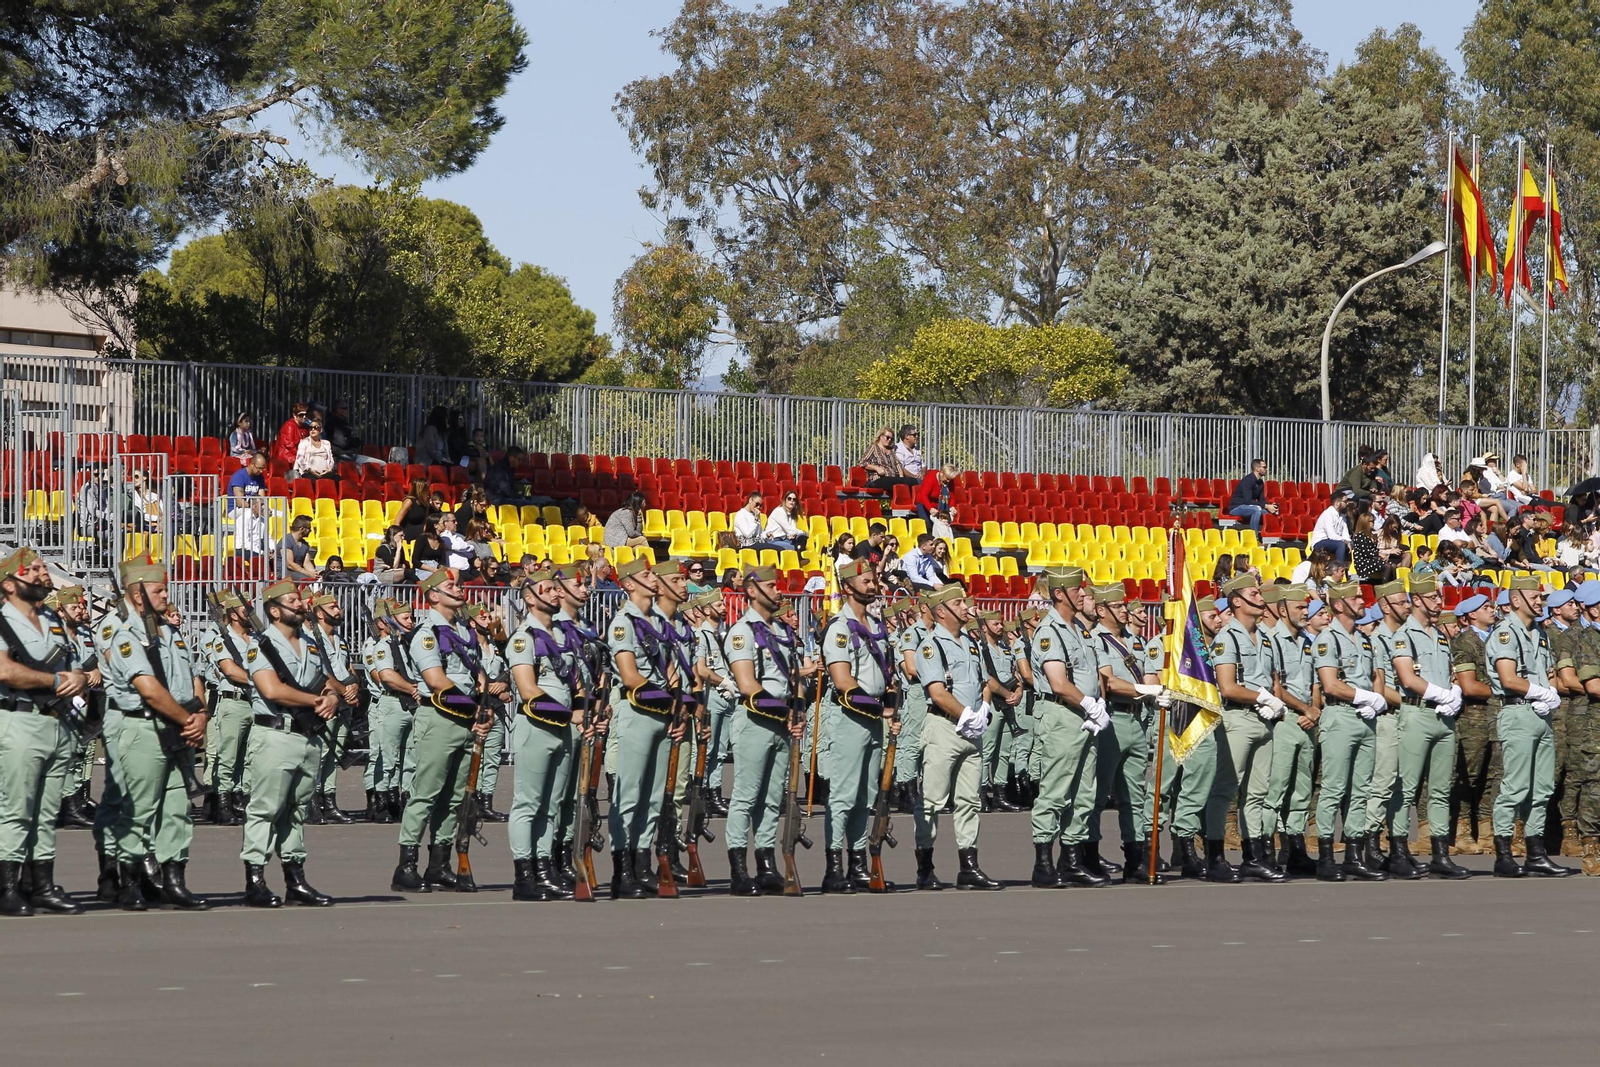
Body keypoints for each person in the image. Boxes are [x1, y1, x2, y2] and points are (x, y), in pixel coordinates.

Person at [96, 559, 210, 910]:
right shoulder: (125, 634)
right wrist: (187, 720)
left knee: (177, 806)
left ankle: (174, 880)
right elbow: (148, 689)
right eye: (158, 590)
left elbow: (192, 679)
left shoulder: (170, 631)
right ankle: (129, 882)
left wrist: (201, 714)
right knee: (138, 806)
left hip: (179, 726)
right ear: (138, 595)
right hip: (145, 726)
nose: (166, 595)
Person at [391, 568, 494, 892]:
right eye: (450, 585)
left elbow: (475, 673)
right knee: (426, 793)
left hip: (466, 718)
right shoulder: (427, 632)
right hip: (440, 717)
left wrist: (482, 697)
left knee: (454, 798)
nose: (458, 589)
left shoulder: (463, 629)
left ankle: (439, 863)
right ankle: (406, 866)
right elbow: (435, 681)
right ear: (433, 595)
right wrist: (475, 708)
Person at [0, 547, 89, 916]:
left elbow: (74, 665)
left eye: (40, 568)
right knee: (16, 808)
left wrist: (80, 677)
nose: (41, 574)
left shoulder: (52, 617)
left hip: (57, 723)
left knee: (47, 809)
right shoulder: (2, 620)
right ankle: (7, 887)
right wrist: (54, 680)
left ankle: (41, 884)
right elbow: (4, 671)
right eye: (31, 570)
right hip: (19, 720)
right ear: (9, 584)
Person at [239, 580, 338, 908]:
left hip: (306, 737)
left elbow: (325, 681)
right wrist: (315, 701)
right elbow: (272, 690)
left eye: (299, 599)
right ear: (274, 610)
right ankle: (255, 881)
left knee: (296, 810)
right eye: (292, 600)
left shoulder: (310, 642)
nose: (300, 604)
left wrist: (332, 699)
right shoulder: (262, 645)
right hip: (275, 736)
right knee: (265, 809)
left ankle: (295, 880)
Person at [719, 565, 805, 895]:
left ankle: (766, 862)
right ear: (752, 591)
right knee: (746, 796)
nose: (779, 590)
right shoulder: (743, 631)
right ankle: (739, 870)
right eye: (771, 585)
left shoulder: (781, 633)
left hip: (781, 721)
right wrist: (785, 712)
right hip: (755, 719)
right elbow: (748, 684)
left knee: (772, 799)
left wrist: (796, 710)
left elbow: (792, 678)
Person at [909, 582, 1001, 891]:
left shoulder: (971, 643)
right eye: (959, 603)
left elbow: (983, 680)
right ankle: (925, 867)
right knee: (933, 800)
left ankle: (969, 866)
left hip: (972, 729)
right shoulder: (931, 645)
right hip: (946, 727)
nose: (966, 607)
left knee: (970, 801)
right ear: (941, 611)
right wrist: (965, 713)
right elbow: (936, 692)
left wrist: (984, 708)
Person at [818, 558, 900, 892]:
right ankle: (833, 867)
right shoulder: (840, 628)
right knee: (843, 795)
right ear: (849, 586)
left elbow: (888, 675)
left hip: (875, 720)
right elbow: (843, 682)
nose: (873, 585)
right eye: (867, 581)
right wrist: (880, 710)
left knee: (866, 795)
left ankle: (857, 863)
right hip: (851, 717)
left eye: (874, 579)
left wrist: (892, 705)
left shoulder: (877, 627)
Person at [605, 556, 682, 898]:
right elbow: (631, 675)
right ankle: (622, 872)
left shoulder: (659, 623)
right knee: (630, 793)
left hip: (662, 713)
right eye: (647, 574)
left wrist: (679, 702)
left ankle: (642, 865)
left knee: (653, 797)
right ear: (629, 583)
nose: (654, 578)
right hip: (638, 710)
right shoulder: (624, 623)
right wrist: (669, 698)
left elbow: (670, 671)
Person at [1486, 576, 1573, 877]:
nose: (1540, 601)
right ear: (1515, 600)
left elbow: (1548, 673)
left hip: (1540, 714)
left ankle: (1536, 852)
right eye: (1535, 596)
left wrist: (1550, 694)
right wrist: (1539, 692)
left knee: (1542, 786)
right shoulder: (1505, 633)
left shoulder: (1540, 633)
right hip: (1518, 712)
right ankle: (1503, 852)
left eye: (1541, 597)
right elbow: (1508, 678)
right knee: (1516, 785)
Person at [505, 568, 582, 900]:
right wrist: (571, 713)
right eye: (547, 589)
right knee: (528, 803)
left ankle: (543, 868)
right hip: (537, 726)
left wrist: (582, 706)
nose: (555, 593)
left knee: (550, 804)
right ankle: (524, 877)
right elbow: (528, 690)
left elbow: (575, 682)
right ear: (529, 597)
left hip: (562, 729)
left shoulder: (563, 636)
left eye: (555, 588)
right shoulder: (525, 637)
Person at [1026, 567, 1106, 888]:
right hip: (1062, 715)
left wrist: (1096, 705)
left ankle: (1071, 859)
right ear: (1060, 593)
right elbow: (1059, 682)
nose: (1083, 595)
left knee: (1084, 791)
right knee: (1056, 790)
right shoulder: (1051, 631)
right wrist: (1088, 703)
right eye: (1077, 590)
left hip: (1084, 716)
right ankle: (1043, 862)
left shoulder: (1079, 630)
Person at [1207, 573, 1286, 883]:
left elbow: (1273, 679)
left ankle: (1252, 856)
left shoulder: (1265, 638)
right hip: (1237, 718)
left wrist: (1274, 702)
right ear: (1237, 600)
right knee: (1226, 789)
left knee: (1257, 792)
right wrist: (1263, 697)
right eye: (1254, 593)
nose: (1261, 597)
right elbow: (1227, 687)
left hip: (1262, 718)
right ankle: (1215, 857)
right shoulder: (1228, 637)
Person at [1311, 579, 1389, 882]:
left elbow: (1374, 675)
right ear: (1339, 604)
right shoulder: (1327, 638)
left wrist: (1376, 699)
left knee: (1361, 789)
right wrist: (1363, 697)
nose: (1362, 602)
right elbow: (1329, 684)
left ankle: (1355, 855)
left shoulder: (1364, 638)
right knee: (1333, 789)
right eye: (1356, 598)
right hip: (1340, 715)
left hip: (1365, 718)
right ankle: (1327, 856)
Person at [1088, 583, 1165, 883]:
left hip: (1137, 720)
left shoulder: (1134, 640)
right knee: (1098, 792)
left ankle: (1135, 859)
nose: (1124, 610)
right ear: (1102, 609)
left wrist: (1158, 688)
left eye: (1124, 606)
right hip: (1113, 719)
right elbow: (1108, 682)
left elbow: (1147, 674)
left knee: (1133, 795)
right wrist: (1145, 689)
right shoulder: (1097, 640)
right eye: (1118, 606)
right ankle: (1090, 855)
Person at [1265, 586, 1321, 875]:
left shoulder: (1308, 642)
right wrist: (1305, 709)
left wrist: (1315, 709)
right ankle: (1268, 849)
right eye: (1300, 606)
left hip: (1307, 722)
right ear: (1283, 610)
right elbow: (1276, 687)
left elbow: (1314, 683)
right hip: (1286, 721)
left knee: (1301, 791)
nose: (1305, 611)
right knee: (1276, 788)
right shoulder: (1271, 640)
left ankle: (1296, 848)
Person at [199, 591, 256, 826]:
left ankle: (239, 800)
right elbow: (230, 671)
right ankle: (222, 803)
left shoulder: (255, 639)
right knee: (227, 756)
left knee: (249, 758)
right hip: (232, 701)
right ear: (233, 614)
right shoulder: (222, 639)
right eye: (244, 610)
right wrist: (260, 680)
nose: (249, 613)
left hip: (254, 702)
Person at [362, 598, 420, 824]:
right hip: (391, 702)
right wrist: (412, 689)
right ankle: (382, 802)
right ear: (387, 622)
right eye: (406, 618)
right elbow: (385, 676)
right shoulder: (381, 646)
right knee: (388, 758)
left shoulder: (409, 644)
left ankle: (406, 800)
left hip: (411, 703)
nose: (411, 622)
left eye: (411, 617)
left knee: (411, 757)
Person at [308, 593, 361, 826]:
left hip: (344, 702)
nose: (338, 610)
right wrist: (341, 690)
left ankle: (329, 802)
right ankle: (311, 802)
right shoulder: (311, 638)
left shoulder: (339, 639)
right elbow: (320, 671)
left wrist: (354, 685)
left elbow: (349, 667)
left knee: (335, 754)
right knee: (319, 755)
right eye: (333, 607)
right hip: (326, 701)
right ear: (320, 613)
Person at [1226, 459, 1279, 536]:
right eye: (1264, 467)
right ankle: (1254, 537)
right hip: (1237, 507)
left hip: (1249, 507)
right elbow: (1248, 501)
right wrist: (1266, 506)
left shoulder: (1260, 483)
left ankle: (1269, 536)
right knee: (1256, 509)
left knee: (1268, 513)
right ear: (1257, 469)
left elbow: (1262, 500)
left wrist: (1270, 507)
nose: (1266, 469)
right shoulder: (1247, 480)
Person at [860, 427, 920, 492]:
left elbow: (898, 464)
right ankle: (918, 482)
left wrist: (901, 477)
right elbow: (862, 462)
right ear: (881, 436)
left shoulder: (891, 450)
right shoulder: (874, 448)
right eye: (887, 437)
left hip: (892, 479)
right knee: (901, 481)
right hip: (878, 479)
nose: (889, 440)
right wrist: (876, 468)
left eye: (891, 439)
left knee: (904, 484)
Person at [1309, 490, 1354, 564]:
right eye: (1345, 501)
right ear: (1337, 503)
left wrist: (1348, 542)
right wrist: (1345, 541)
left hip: (1335, 542)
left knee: (1354, 544)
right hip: (1320, 542)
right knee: (1341, 544)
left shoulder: (1342, 517)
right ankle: (1340, 567)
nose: (1347, 503)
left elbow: (1345, 533)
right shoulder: (1328, 514)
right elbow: (1332, 535)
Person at [272, 403, 310, 471]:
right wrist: (302, 456)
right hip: (287, 456)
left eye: (306, 415)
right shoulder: (289, 426)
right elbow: (290, 446)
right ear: (294, 415)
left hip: (298, 454)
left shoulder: (304, 427)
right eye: (301, 415)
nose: (304, 417)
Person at [282, 515, 320, 581]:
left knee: (316, 579)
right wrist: (308, 573)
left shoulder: (305, 544)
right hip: (284, 574)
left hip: (299, 573)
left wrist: (314, 573)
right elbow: (290, 564)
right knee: (306, 579)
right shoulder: (286, 541)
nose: (311, 530)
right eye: (309, 528)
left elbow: (306, 563)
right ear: (302, 529)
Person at [1349, 512, 1382, 582]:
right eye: (1371, 521)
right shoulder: (1359, 536)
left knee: (1391, 564)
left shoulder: (1372, 535)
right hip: (1363, 563)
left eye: (1373, 521)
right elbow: (1366, 552)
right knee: (1385, 564)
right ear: (1365, 522)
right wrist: (1379, 554)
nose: (1373, 523)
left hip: (1372, 560)